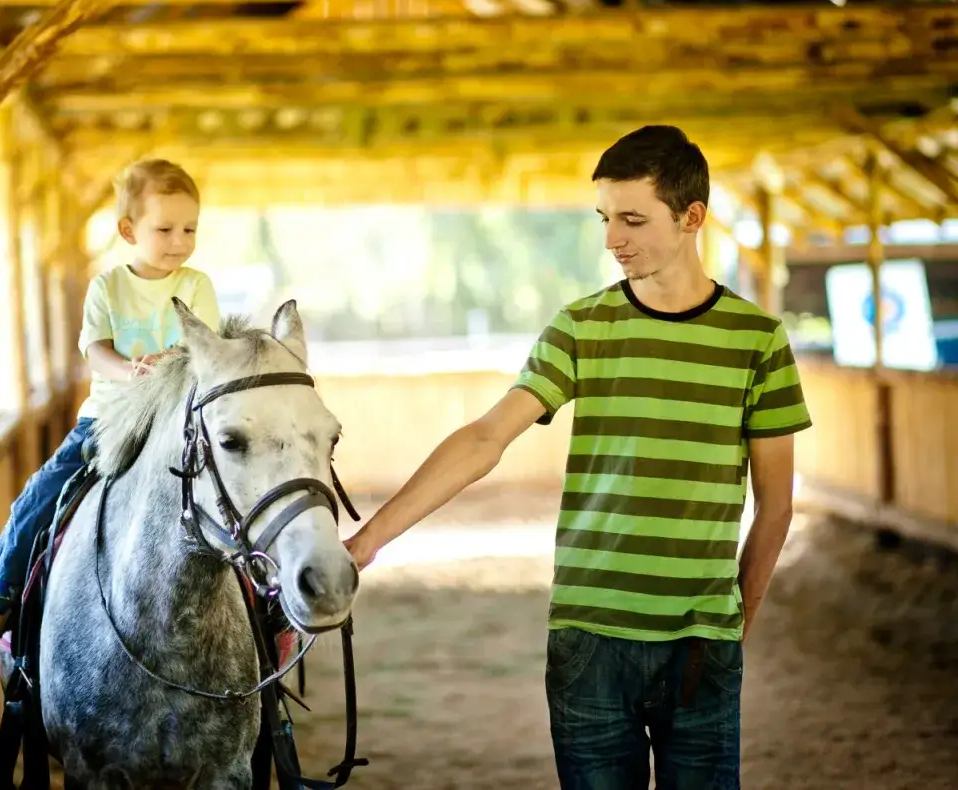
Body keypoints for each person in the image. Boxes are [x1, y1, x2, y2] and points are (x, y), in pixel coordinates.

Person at [344, 125, 811, 788]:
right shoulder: (580, 328)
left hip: (702, 645)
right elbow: (485, 438)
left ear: (692, 217)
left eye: (631, 219)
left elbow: (777, 506)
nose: (611, 239)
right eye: (604, 218)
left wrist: (734, 626)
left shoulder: (758, 341)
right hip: (588, 643)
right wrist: (366, 542)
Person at [0, 158, 220, 642]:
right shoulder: (108, 287)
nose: (180, 242)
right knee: (43, 493)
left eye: (189, 229)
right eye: (164, 229)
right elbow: (95, 348)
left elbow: (203, 347)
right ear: (128, 230)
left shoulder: (196, 286)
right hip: (109, 418)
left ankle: (264, 612)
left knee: (235, 494)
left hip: (177, 422)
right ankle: (3, 590)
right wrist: (131, 371)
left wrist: (176, 361)